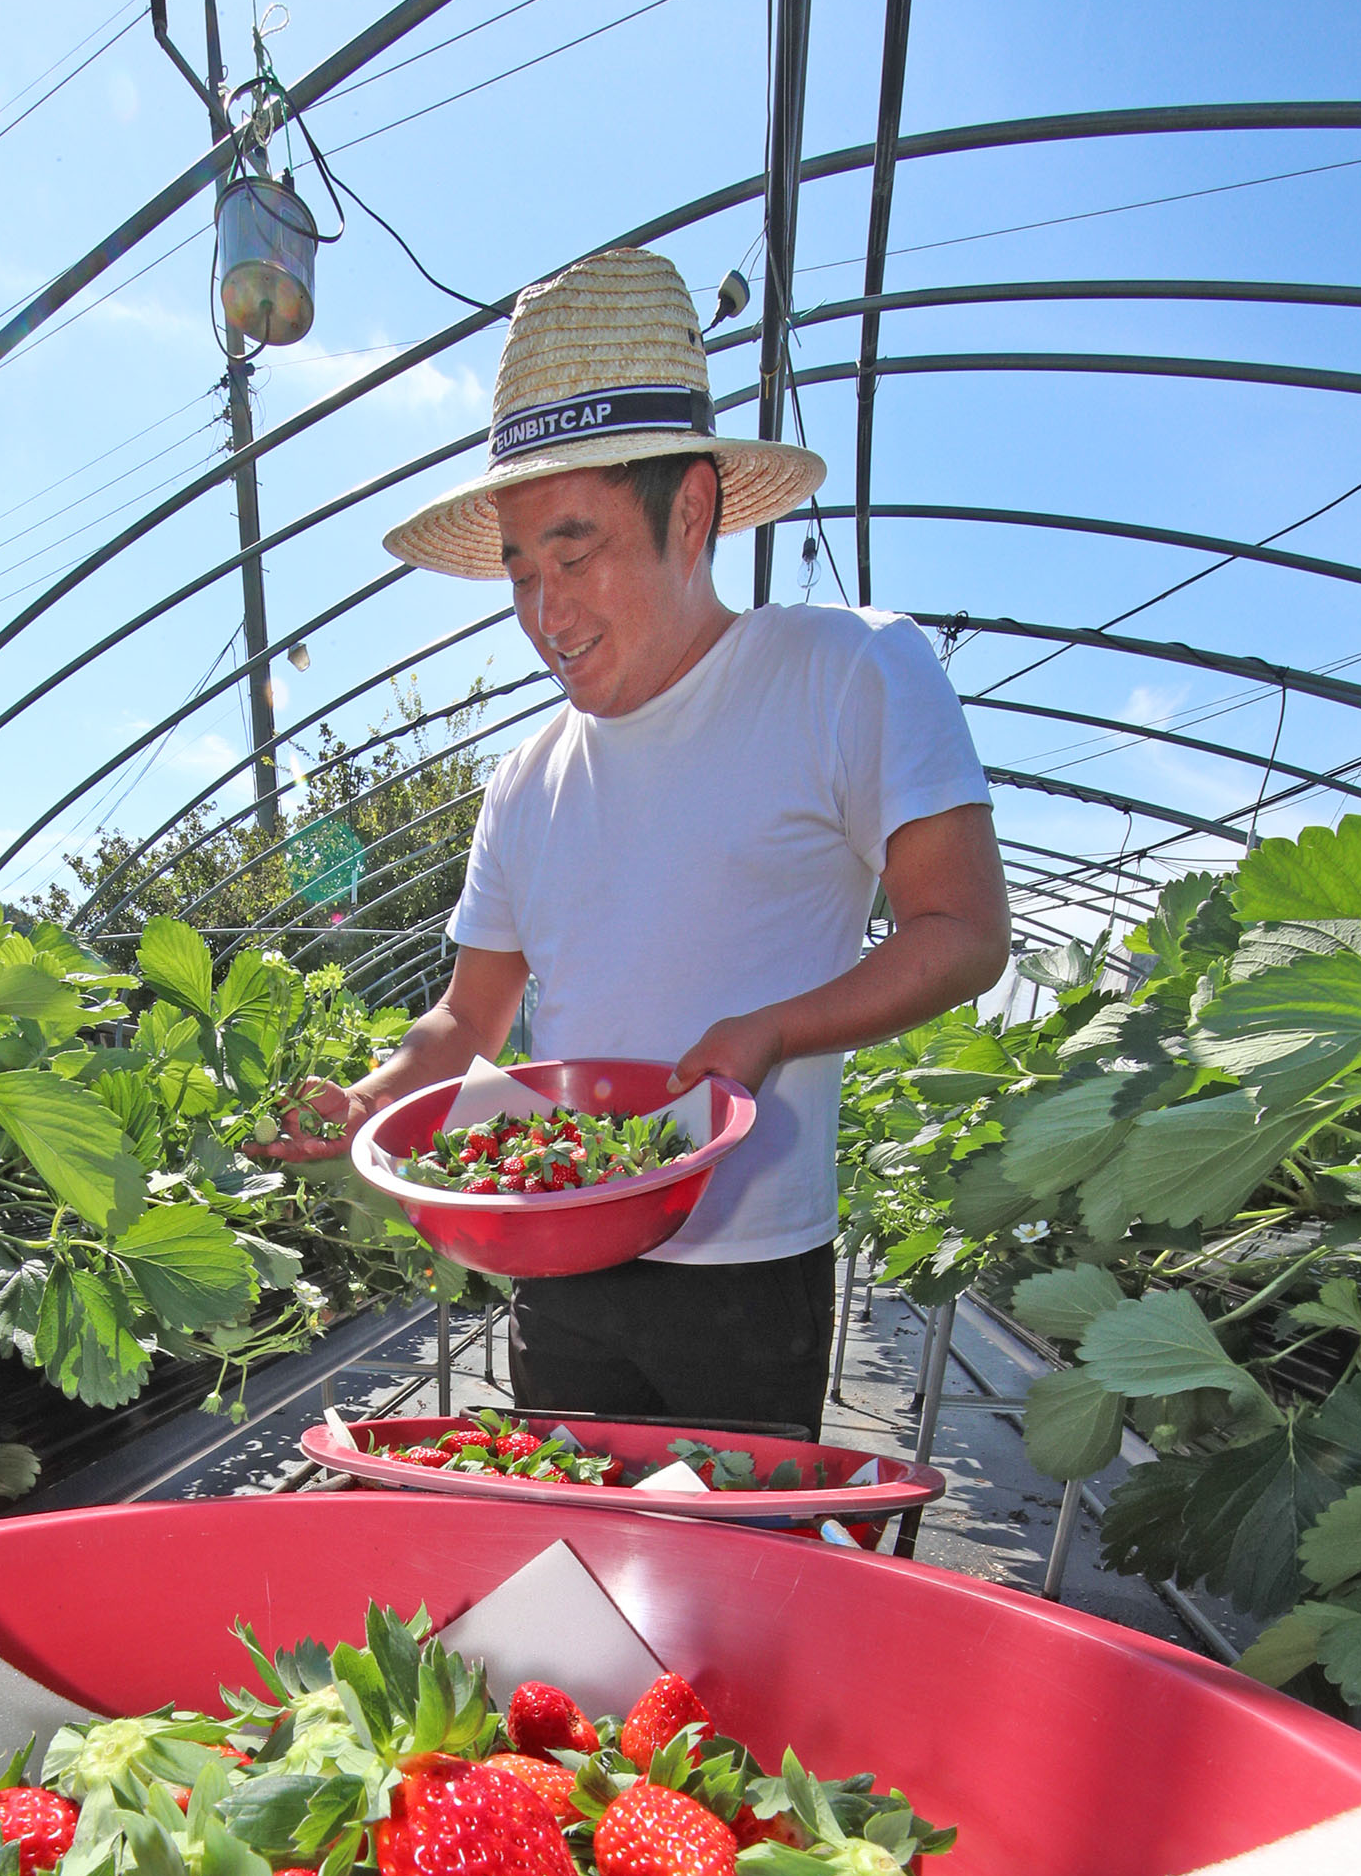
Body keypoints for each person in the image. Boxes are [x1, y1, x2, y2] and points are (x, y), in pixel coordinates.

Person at [263, 243, 1009, 1430]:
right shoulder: (525, 778)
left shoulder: (844, 671)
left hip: (745, 1269)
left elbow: (962, 931)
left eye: (576, 553)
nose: (544, 614)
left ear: (693, 511)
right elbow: (470, 1018)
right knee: (569, 1561)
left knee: (720, 1580)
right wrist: (366, 1099)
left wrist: (773, 1028)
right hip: (556, 1252)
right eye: (517, 574)